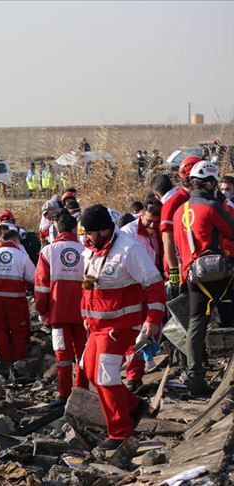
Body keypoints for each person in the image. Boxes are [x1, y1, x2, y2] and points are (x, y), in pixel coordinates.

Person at [80, 204, 162, 449]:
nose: (85, 237)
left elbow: (154, 285)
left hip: (119, 327)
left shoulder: (129, 250)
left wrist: (153, 320)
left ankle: (120, 432)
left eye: (89, 233)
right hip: (97, 326)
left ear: (104, 230)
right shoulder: (91, 250)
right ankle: (136, 406)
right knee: (92, 374)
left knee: (106, 378)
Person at [173, 161, 234, 396]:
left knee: (196, 322)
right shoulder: (211, 208)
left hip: (192, 274)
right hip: (219, 273)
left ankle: (195, 375)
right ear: (209, 183)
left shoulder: (180, 211)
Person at [33, 210, 87, 401]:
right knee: (83, 354)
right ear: (75, 229)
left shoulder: (48, 252)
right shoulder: (86, 252)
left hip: (58, 315)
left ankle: (65, 394)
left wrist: (42, 311)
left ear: (56, 229)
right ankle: (82, 392)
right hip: (84, 314)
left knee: (62, 355)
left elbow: (41, 287)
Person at [0, 229, 35, 374]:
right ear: (16, 240)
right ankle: (19, 360)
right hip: (16, 299)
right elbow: (33, 278)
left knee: (0, 330)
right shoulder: (22, 256)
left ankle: (5, 359)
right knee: (18, 329)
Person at [161, 156, 202, 300]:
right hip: (180, 269)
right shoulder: (174, 202)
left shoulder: (198, 198)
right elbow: (167, 239)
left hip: (197, 266)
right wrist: (173, 273)